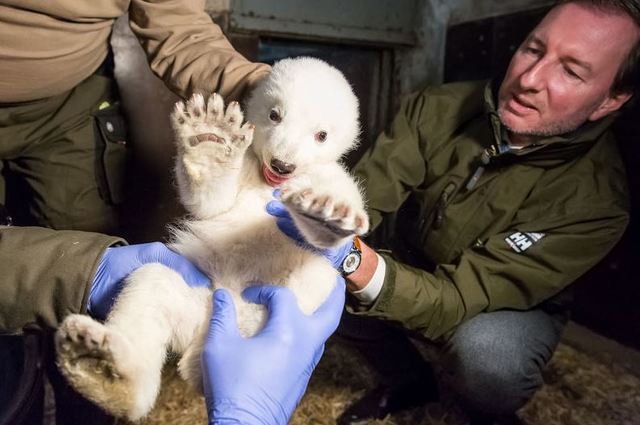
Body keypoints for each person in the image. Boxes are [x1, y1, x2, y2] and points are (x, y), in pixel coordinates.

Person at [268, 1, 640, 424]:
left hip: (497, 301)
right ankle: (407, 380)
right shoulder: (438, 108)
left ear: (610, 99)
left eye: (571, 72)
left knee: (491, 361)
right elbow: (364, 197)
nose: (529, 80)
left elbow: (460, 296)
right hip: (414, 256)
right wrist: (318, 231)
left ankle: (472, 411)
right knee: (316, 279)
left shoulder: (598, 204)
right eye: (534, 49)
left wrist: (352, 260)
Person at [0, 0, 270, 423]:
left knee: (89, 245)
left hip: (69, 101)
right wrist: (88, 272)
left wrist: (263, 92)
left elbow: (175, 17)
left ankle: (93, 402)